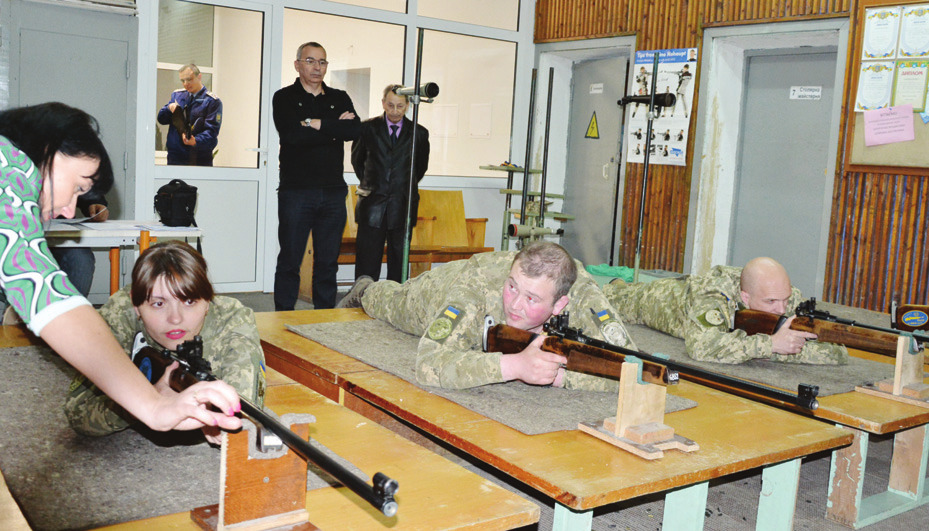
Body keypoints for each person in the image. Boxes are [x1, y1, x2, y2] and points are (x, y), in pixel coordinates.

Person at [0, 102, 241, 434]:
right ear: (49, 149)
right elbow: (49, 297)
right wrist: (154, 405)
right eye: (79, 186)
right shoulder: (10, 171)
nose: (69, 211)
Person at [338, 241, 636, 390]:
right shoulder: (476, 288)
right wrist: (515, 366)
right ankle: (365, 288)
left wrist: (560, 376)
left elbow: (632, 368)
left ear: (560, 304)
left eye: (531, 298)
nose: (515, 304)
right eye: (512, 287)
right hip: (438, 290)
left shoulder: (584, 295)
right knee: (388, 303)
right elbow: (428, 364)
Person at [65, 241, 266, 443]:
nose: (175, 318)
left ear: (208, 301)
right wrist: (148, 399)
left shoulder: (233, 320)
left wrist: (219, 419)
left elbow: (244, 415)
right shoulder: (120, 314)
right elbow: (79, 411)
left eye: (189, 301)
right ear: (136, 305)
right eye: (159, 304)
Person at [601, 257, 848, 365]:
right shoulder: (713, 294)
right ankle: (617, 285)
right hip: (661, 300)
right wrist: (770, 345)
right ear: (745, 297)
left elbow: (837, 352)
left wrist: (787, 345)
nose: (781, 308)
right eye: (771, 302)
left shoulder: (783, 294)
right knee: (615, 298)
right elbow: (700, 347)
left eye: (785, 300)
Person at [273, 41, 360, 310]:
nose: (316, 67)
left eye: (322, 62)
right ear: (297, 64)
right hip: (296, 192)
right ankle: (282, 319)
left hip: (333, 192)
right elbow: (292, 136)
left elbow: (354, 131)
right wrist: (334, 128)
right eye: (310, 61)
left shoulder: (339, 97)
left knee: (327, 263)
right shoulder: (284, 97)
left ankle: (324, 319)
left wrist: (313, 123)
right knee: (290, 260)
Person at [351, 84, 430, 282]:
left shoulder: (419, 133)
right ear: (383, 103)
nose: (395, 111)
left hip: (402, 205)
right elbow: (358, 162)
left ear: (408, 106)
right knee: (367, 261)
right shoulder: (367, 129)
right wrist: (375, 183)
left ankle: (395, 298)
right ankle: (364, 296)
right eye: (390, 105)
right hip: (372, 204)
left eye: (400, 106)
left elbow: (420, 168)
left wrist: (398, 185)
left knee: (399, 261)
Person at [156, 64, 222, 166]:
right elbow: (161, 119)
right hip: (175, 157)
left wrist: (195, 141)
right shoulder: (178, 96)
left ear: (199, 76)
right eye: (182, 81)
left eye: (189, 79)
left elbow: (211, 132)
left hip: (198, 158)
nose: (186, 84)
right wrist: (169, 108)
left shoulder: (212, 101)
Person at [48, 190, 109, 298]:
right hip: (21, 230)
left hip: (60, 231)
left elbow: (85, 189)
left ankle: (74, 306)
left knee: (80, 258)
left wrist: (94, 203)